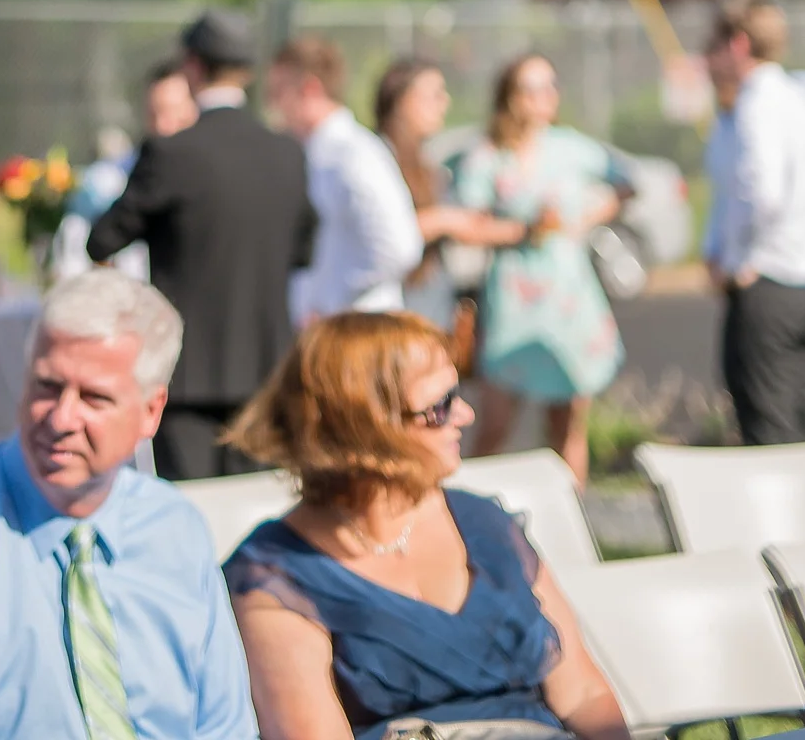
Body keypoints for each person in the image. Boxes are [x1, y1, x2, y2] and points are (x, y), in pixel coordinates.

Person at [0, 266, 255, 740]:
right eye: (47, 386)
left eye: (94, 398)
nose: (62, 419)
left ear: (151, 412)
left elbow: (224, 727)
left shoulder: (175, 531)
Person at [222, 311, 630, 740]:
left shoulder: (486, 523)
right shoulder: (279, 574)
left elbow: (583, 695)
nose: (466, 415)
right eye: (441, 406)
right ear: (366, 427)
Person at [88, 8, 315, 479]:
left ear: (191, 66)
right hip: (266, 367)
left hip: (187, 371)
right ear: (247, 71)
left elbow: (103, 239)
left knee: (192, 509)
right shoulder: (287, 153)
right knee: (258, 506)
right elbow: (303, 251)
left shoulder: (172, 153)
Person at [448, 54, 631, 485]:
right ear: (511, 97)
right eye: (532, 88)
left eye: (550, 86)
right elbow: (468, 225)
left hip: (568, 294)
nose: (544, 97)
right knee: (495, 422)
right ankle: (467, 509)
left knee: (567, 423)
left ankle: (572, 511)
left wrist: (586, 217)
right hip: (515, 296)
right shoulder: (489, 155)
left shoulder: (571, 148)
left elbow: (625, 184)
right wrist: (523, 230)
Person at [703, 0, 805, 444]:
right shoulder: (796, 93)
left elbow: (760, 193)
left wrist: (739, 259)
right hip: (798, 276)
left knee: (770, 430)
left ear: (739, 44)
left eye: (716, 43)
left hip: (770, 282)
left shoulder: (756, 102)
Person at [268, 37, 423, 324]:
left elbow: (400, 247)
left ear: (310, 89)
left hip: (359, 332)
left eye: (279, 92)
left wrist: (331, 301)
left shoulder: (353, 154)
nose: (273, 105)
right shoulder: (320, 152)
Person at [373, 59, 527, 335]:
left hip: (428, 317)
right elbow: (377, 234)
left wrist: (526, 229)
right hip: (385, 321)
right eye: (434, 95)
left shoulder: (430, 168)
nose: (445, 103)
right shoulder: (375, 160)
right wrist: (443, 220)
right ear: (401, 100)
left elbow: (469, 225)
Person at [53, 57, 199, 279]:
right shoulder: (126, 175)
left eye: (171, 112)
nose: (161, 125)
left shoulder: (215, 175)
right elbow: (100, 241)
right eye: (153, 114)